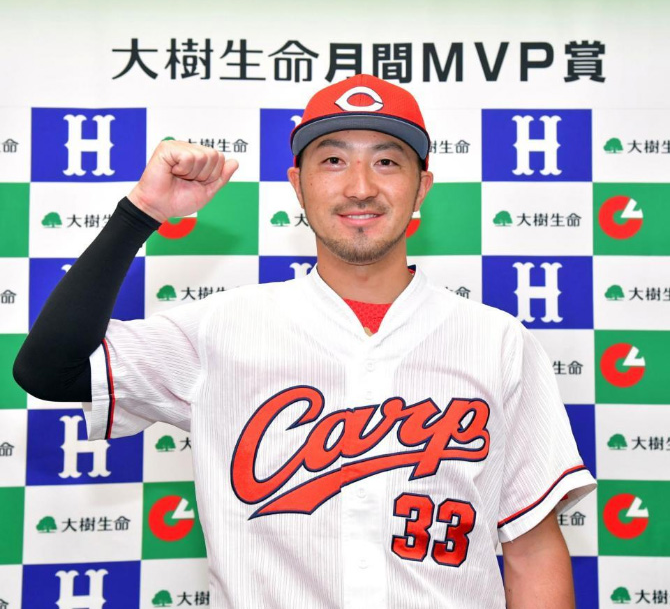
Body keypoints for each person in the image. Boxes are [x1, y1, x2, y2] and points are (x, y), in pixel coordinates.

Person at [14, 74, 596, 608]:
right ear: (298, 184)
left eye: (387, 162)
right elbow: (49, 371)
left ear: (422, 186)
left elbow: (533, 553)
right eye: (333, 161)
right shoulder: (220, 328)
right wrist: (141, 212)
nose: (361, 187)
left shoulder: (498, 341)